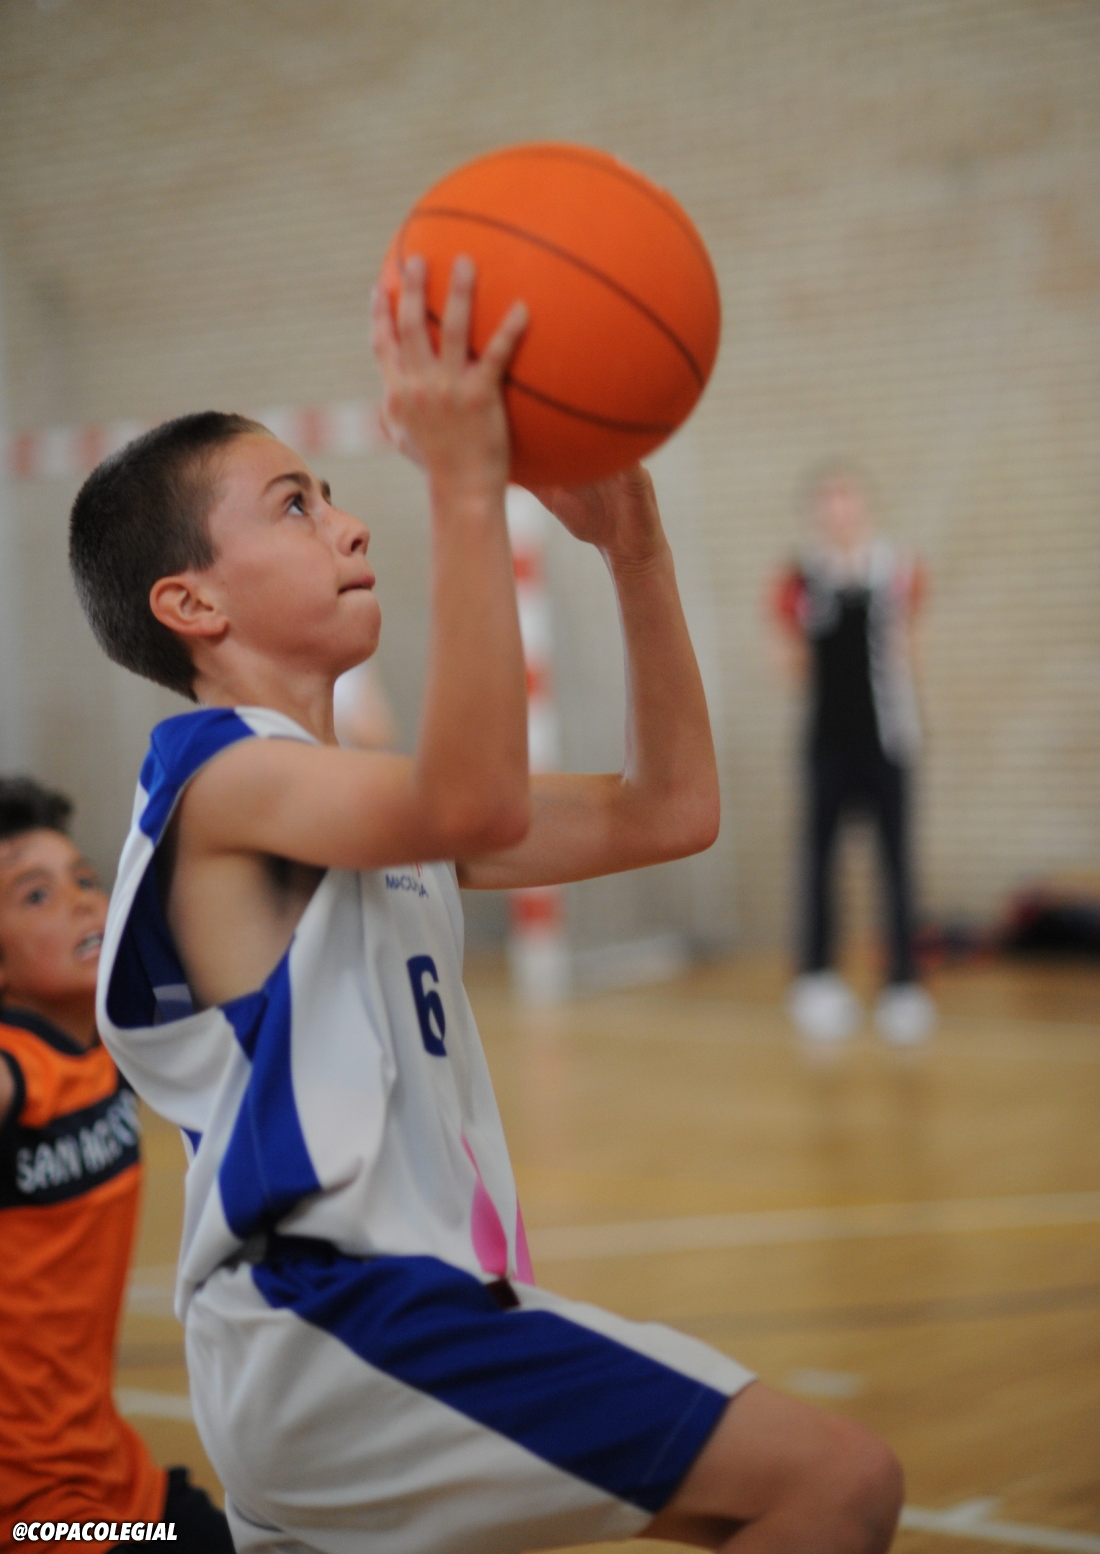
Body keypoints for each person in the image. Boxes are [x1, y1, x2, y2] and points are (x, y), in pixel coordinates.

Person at [69, 257, 902, 1553]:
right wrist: (466, 483)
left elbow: (671, 808)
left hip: (378, 1329)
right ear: (192, 601)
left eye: (333, 494)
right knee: (834, 1481)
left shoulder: (360, 807)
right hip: (339, 1318)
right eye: (295, 504)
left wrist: (633, 548)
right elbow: (470, 795)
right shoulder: (219, 780)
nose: (348, 525)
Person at [0, 777, 233, 1547]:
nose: (80, 903)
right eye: (36, 895)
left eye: (85, 879)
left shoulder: (112, 1045)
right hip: (32, 1517)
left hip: (118, 1480)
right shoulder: (16, 1070)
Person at [772, 467, 937, 1045]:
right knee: (819, 860)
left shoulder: (899, 571)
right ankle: (816, 977)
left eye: (847, 496)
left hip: (888, 740)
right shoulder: (799, 580)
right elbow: (789, 661)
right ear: (817, 511)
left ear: (864, 505)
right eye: (829, 499)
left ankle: (903, 983)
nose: (839, 509)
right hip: (827, 741)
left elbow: (911, 649)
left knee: (897, 860)